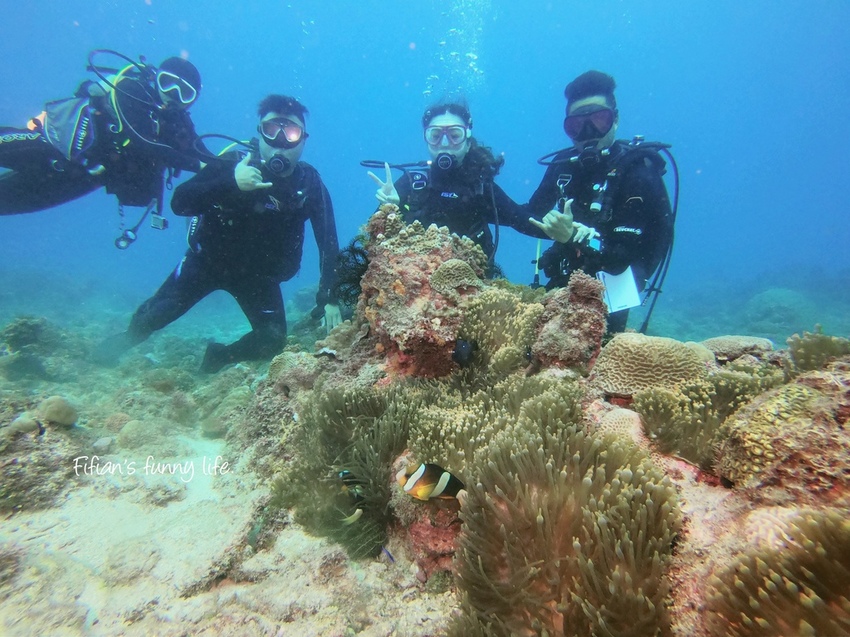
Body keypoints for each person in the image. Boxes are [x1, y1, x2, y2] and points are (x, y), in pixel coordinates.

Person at [93, 94, 341, 373]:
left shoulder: (309, 184)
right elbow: (180, 203)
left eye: (292, 132)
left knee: (271, 340)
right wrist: (231, 183)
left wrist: (329, 296)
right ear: (259, 133)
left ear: (303, 140)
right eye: (272, 130)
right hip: (207, 262)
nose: (281, 142)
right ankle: (112, 350)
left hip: (258, 277)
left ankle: (218, 357)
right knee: (154, 317)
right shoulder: (232, 164)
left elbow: (328, 241)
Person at [528, 70, 674, 333]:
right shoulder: (562, 167)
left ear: (615, 120)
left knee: (599, 348)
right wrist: (485, 194)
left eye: (598, 119)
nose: (587, 132)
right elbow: (529, 217)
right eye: (576, 126)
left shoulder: (638, 173)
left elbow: (622, 260)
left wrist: (573, 234)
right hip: (569, 275)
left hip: (616, 285)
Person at [0, 53, 205, 221]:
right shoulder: (131, 90)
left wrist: (230, 166)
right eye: (167, 82)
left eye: (184, 93)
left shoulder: (180, 127)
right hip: (52, 144)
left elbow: (205, 155)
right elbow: (142, 143)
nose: (172, 93)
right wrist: (198, 166)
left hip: (78, 178)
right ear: (155, 79)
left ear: (192, 101)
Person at [367, 101, 568, 267]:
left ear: (467, 138)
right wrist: (389, 209)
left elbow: (523, 220)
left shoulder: (480, 188)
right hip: (412, 284)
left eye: (454, 135)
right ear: (426, 139)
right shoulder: (412, 184)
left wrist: (566, 233)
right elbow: (373, 240)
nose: (445, 144)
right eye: (436, 136)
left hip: (472, 286)